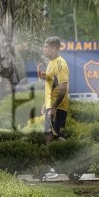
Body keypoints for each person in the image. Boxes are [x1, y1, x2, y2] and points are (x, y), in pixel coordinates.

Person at [40, 36, 69, 180]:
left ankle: (71, 155)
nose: (44, 49)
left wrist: (54, 107)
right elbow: (51, 86)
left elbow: (63, 88)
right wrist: (46, 104)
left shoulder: (61, 63)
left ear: (55, 48)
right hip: (50, 106)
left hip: (59, 107)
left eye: (46, 47)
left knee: (57, 137)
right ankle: (53, 168)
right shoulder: (50, 63)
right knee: (49, 136)